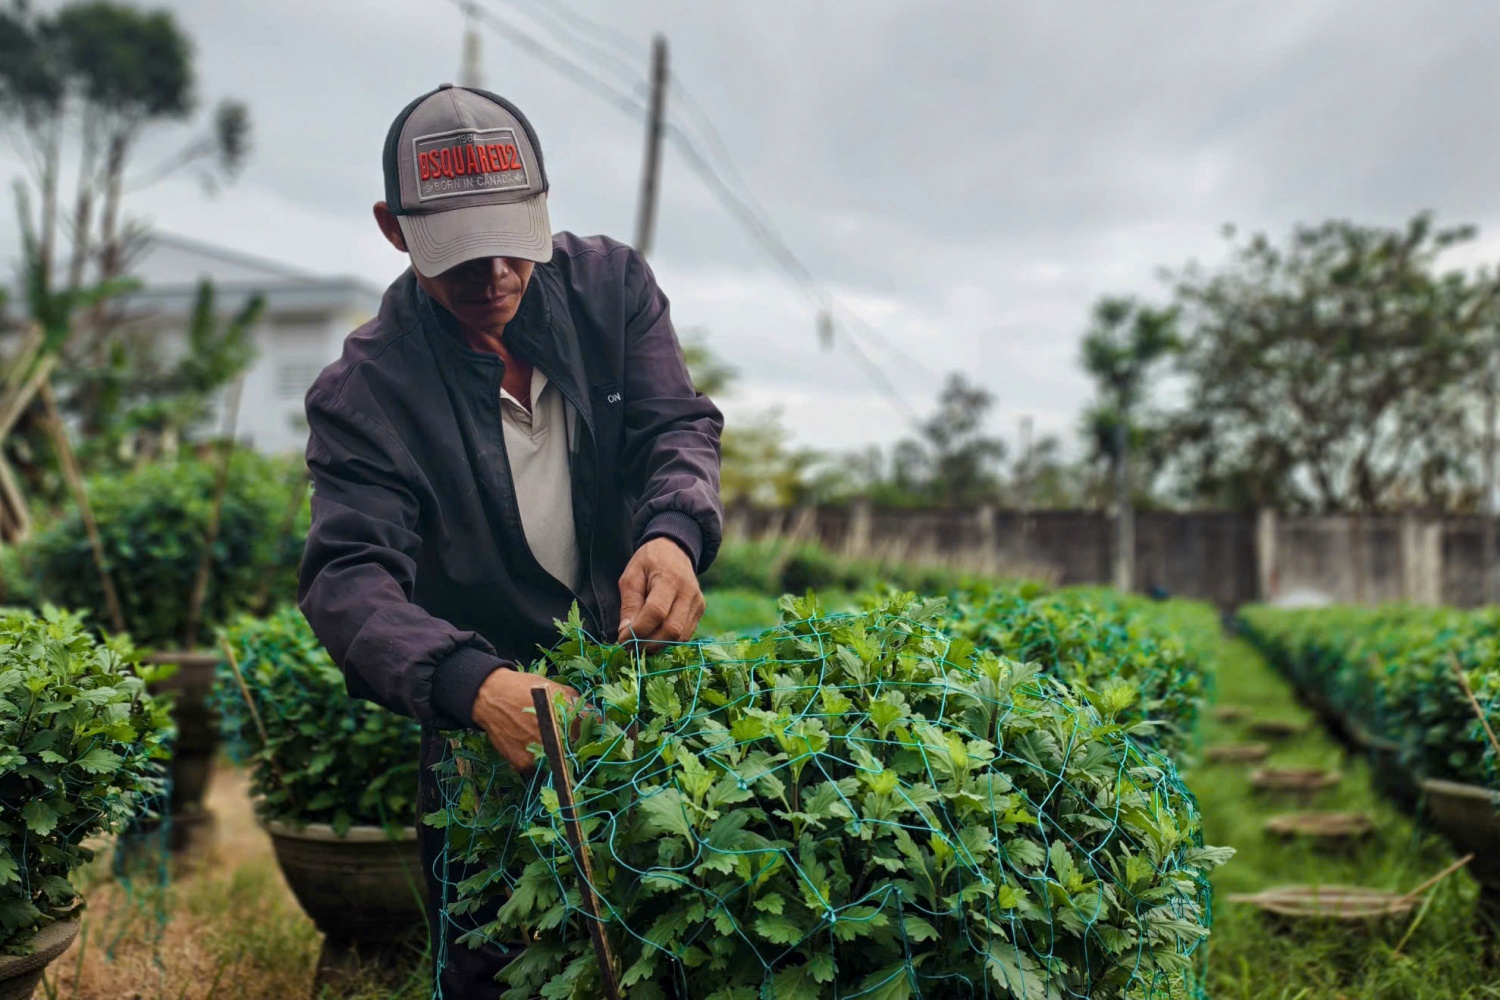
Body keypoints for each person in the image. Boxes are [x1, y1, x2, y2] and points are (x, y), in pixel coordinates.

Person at [297, 83, 724, 995]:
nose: (493, 275)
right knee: (497, 961)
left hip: (635, 681)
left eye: (511, 244)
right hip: (482, 719)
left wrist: (673, 532)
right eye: (459, 253)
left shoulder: (612, 290)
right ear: (393, 227)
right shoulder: (367, 391)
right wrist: (471, 684)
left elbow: (673, 430)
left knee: (667, 941)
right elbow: (349, 579)